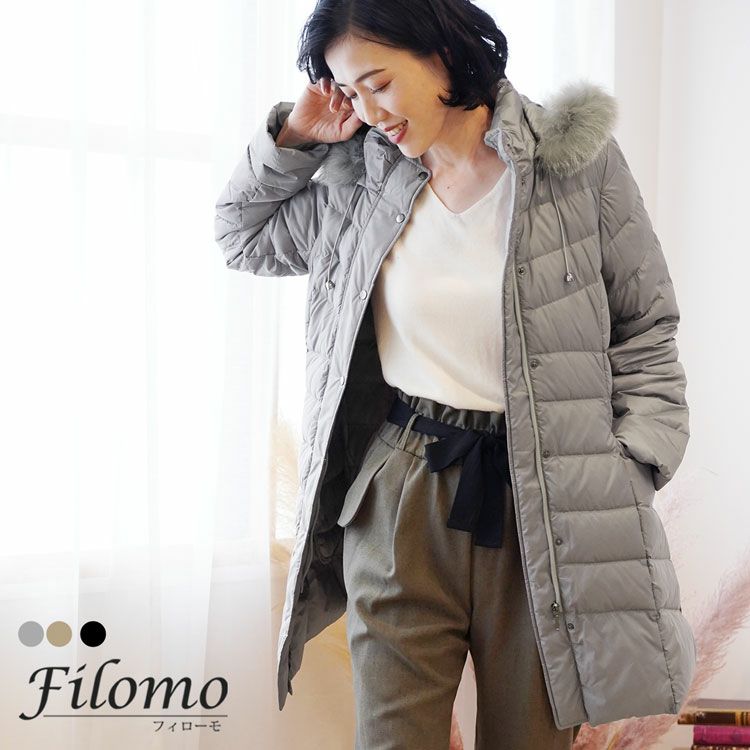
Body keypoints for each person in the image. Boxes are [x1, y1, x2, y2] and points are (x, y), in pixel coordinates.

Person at [213, 0, 696, 747]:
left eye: (380, 82)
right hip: (401, 491)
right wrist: (296, 136)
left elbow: (647, 324)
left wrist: (635, 462)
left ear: (439, 50)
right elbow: (241, 237)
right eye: (352, 92)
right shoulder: (361, 181)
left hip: (546, 496)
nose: (370, 112)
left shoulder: (574, 165)